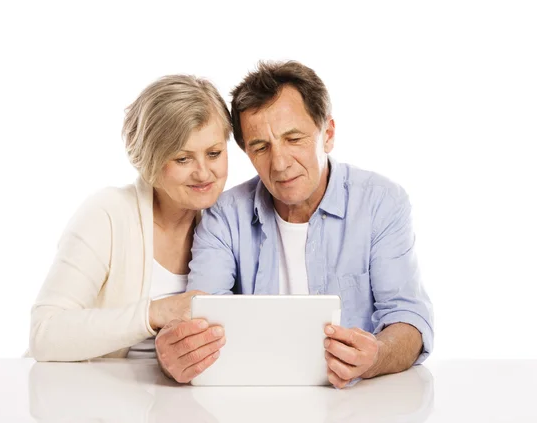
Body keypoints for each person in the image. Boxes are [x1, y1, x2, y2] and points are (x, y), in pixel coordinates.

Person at [156, 61, 434, 388]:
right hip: (254, 398)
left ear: (327, 134)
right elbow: (201, 314)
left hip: (356, 404)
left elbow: (409, 320)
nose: (280, 163)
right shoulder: (224, 215)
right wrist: (179, 350)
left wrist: (376, 355)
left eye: (294, 139)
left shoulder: (381, 202)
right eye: (261, 147)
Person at [27, 75, 229, 365]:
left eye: (214, 153)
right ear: (150, 159)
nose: (203, 172)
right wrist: (155, 313)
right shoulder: (108, 214)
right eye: (183, 159)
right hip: (91, 399)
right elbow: (44, 334)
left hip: (183, 404)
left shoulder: (230, 222)